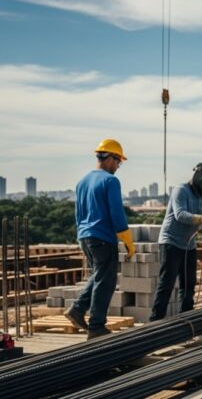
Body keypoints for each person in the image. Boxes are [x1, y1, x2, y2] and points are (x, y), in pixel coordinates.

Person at [64, 139, 135, 340]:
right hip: (103, 238)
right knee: (106, 281)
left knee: (99, 275)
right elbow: (117, 214)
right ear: (111, 158)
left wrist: (83, 235)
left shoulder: (82, 181)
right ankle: (96, 326)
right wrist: (128, 241)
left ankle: (77, 310)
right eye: (118, 162)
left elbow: (78, 214)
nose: (118, 166)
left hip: (85, 236)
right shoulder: (110, 181)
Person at [149, 163, 202, 322]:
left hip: (188, 245)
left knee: (189, 283)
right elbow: (180, 215)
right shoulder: (181, 190)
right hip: (171, 242)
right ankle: (155, 319)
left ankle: (186, 319)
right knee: (167, 282)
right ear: (201, 178)